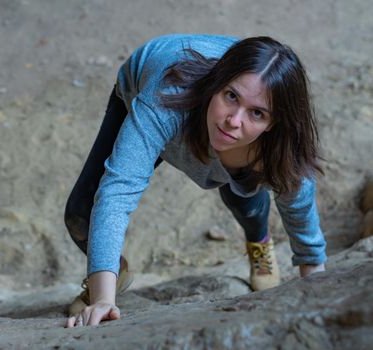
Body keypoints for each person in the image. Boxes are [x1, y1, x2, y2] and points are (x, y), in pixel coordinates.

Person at [63, 34, 327, 328]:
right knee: (80, 212)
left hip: (234, 137)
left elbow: (300, 214)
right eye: (231, 96)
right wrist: (103, 300)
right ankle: (112, 271)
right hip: (155, 91)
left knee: (243, 197)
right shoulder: (163, 103)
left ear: (274, 123)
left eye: (257, 113)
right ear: (217, 83)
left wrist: (314, 293)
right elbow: (118, 190)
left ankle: (259, 244)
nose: (234, 120)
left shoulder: (282, 148)